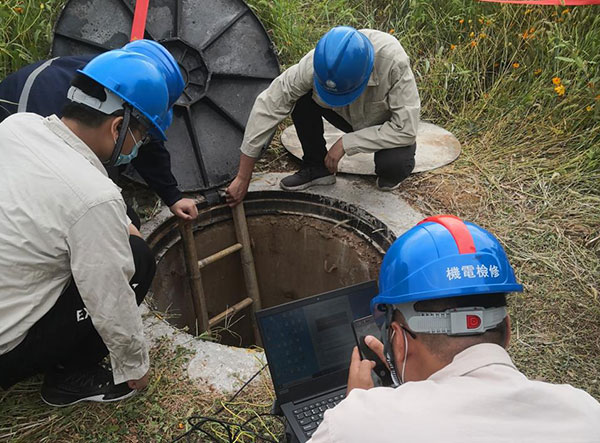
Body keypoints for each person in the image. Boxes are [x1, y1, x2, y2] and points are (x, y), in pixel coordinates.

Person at [308, 215, 600, 442]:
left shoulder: (355, 426)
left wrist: (357, 408)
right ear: (507, 331)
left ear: (397, 339)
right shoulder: (586, 413)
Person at [0, 44, 176, 406]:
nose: (137, 147)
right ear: (117, 127)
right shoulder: (93, 199)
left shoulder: (19, 126)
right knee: (137, 259)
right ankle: (69, 379)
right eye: (140, 137)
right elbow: (109, 298)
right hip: (6, 350)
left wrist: (115, 219)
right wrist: (134, 367)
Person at [0, 40, 198, 224]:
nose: (141, 141)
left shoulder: (113, 86)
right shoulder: (54, 102)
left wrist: (172, 196)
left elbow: (147, 141)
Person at [226, 26, 420, 206]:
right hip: (345, 118)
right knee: (300, 96)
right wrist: (244, 176)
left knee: (393, 167)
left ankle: (392, 170)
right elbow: (270, 103)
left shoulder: (392, 61)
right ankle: (316, 167)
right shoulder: (317, 64)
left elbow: (406, 129)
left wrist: (347, 143)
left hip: (382, 123)